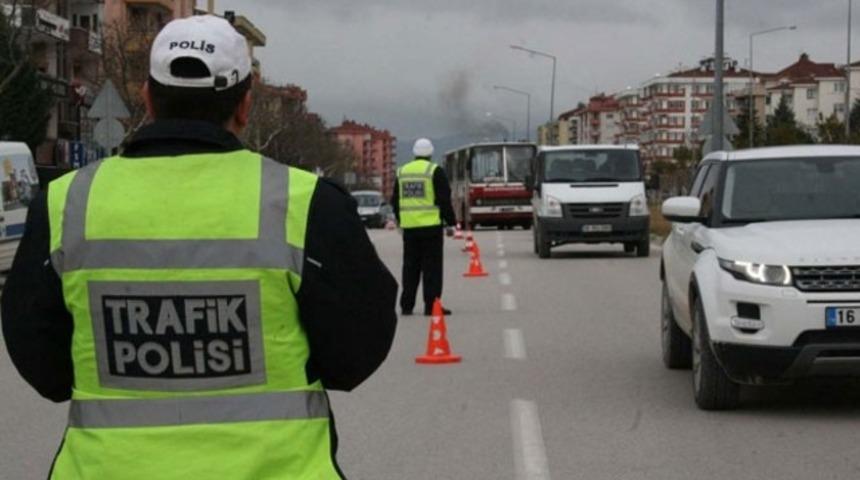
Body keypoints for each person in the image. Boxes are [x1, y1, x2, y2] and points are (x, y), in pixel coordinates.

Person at [0, 15, 397, 480]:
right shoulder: (305, 203)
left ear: (147, 99)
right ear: (245, 105)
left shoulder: (67, 203)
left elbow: (41, 363)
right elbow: (356, 353)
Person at [391, 138, 457, 316]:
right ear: (430, 153)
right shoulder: (434, 171)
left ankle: (406, 305)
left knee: (410, 267)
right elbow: (444, 199)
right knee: (432, 268)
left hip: (410, 229)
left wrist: (400, 220)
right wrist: (451, 222)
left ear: (414, 153)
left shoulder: (402, 172)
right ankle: (431, 306)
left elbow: (394, 200)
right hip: (431, 228)